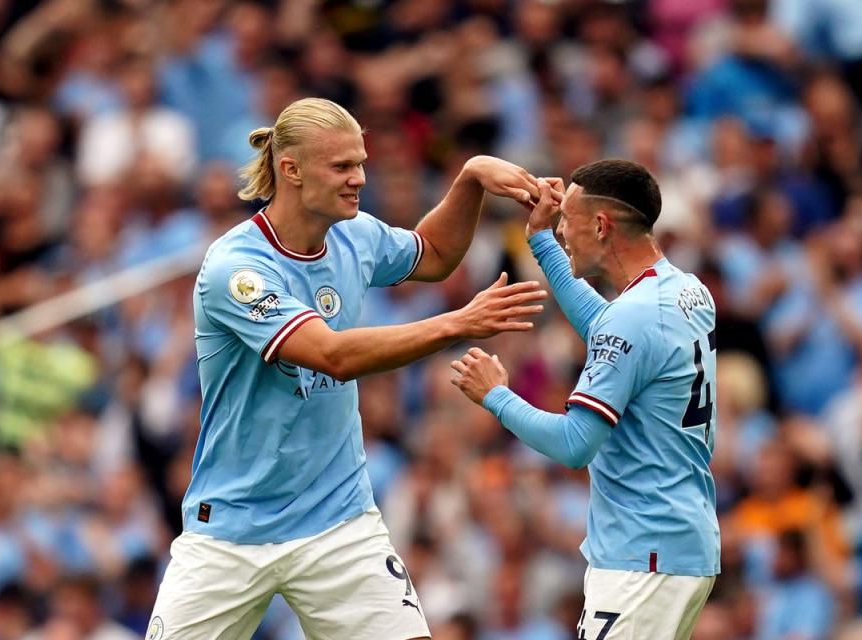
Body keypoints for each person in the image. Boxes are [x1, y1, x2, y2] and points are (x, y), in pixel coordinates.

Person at [147, 97, 547, 640]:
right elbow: (333, 357)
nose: (360, 178)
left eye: (360, 163)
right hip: (233, 529)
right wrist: (458, 323)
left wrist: (471, 178)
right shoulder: (236, 270)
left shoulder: (353, 234)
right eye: (342, 166)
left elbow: (431, 254)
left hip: (338, 520)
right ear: (291, 170)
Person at [451, 159, 720, 640]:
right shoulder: (685, 291)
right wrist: (541, 243)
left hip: (643, 556)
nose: (562, 230)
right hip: (680, 543)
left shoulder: (634, 317)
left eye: (566, 220)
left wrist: (495, 395)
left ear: (601, 225)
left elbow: (576, 443)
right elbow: (608, 329)